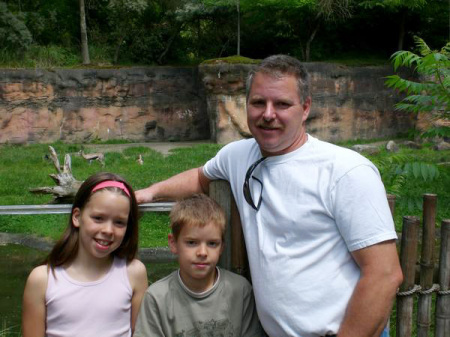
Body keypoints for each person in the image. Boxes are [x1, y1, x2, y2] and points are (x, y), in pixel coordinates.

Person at [135, 55, 403, 337]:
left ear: (305, 107)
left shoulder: (346, 171)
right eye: (258, 102)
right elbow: (199, 178)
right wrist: (148, 192)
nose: (268, 114)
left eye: (282, 104)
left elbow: (384, 274)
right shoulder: (238, 156)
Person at [22, 172, 148, 337]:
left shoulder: (134, 273)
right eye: (98, 218)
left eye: (119, 222)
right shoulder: (42, 279)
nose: (108, 230)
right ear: (77, 217)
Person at [134, 194, 263, 337]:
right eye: (192, 242)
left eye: (212, 243)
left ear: (222, 247)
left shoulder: (240, 291)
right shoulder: (157, 297)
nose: (202, 252)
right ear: (173, 243)